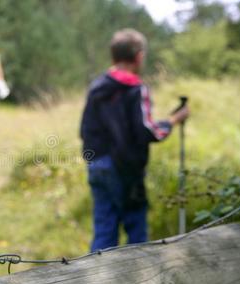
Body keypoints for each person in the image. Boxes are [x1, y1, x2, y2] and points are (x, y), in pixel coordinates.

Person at [80, 28, 189, 252]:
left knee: (104, 231)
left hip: (97, 164)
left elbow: (85, 129)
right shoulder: (137, 89)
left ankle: (100, 283)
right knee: (136, 231)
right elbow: (147, 131)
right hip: (126, 171)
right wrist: (173, 120)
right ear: (139, 56)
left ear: (113, 56)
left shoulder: (97, 86)